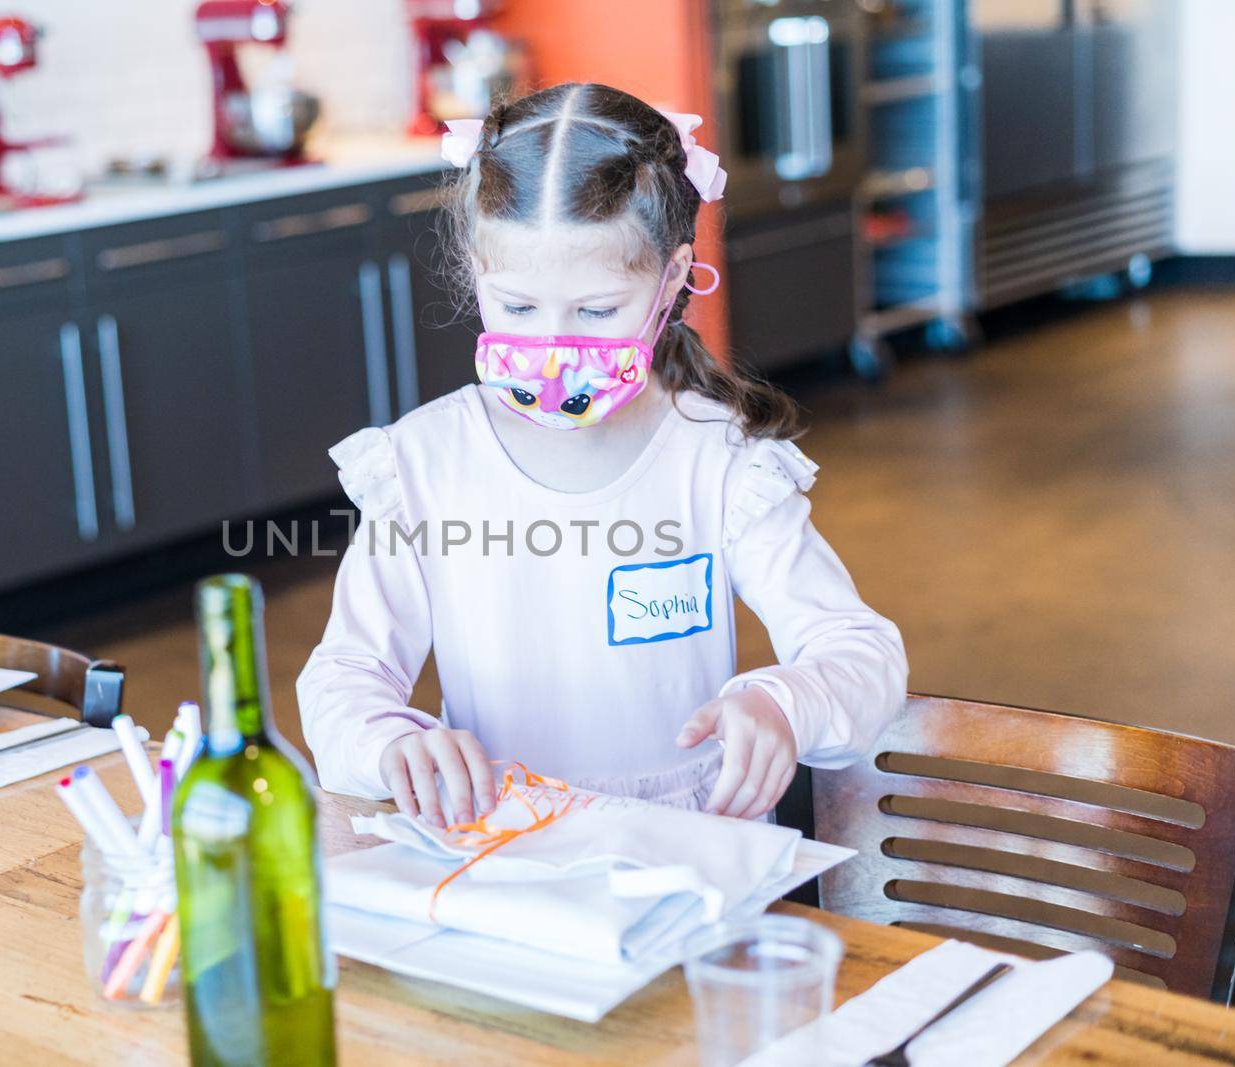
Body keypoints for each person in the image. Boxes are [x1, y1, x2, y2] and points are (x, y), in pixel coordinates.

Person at [297, 83, 907, 826]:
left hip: (693, 853)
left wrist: (784, 702)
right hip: (503, 854)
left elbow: (862, 652)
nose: (552, 348)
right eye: (518, 308)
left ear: (672, 280)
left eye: (594, 311)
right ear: (475, 271)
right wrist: (385, 741)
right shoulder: (421, 465)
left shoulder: (720, 464)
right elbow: (345, 675)